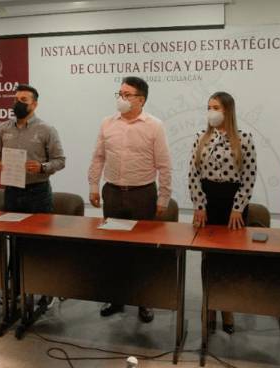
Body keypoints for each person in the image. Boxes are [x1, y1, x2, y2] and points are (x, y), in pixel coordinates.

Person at [87, 76, 172, 323]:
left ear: (141, 100)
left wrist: (164, 197)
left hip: (142, 194)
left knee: (142, 251)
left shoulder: (154, 126)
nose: (121, 98)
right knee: (114, 250)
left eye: (127, 95)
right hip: (112, 193)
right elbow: (98, 157)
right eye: (120, 94)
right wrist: (93, 185)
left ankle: (145, 300)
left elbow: (164, 165)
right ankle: (116, 297)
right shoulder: (107, 123)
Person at [188, 91, 257, 334]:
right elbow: (193, 174)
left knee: (229, 261)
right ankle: (209, 307)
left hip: (233, 206)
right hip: (208, 204)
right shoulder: (201, 137)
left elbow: (249, 177)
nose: (211, 112)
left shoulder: (244, 139)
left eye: (216, 107)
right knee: (208, 260)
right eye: (209, 107)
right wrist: (199, 205)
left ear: (228, 110)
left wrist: (238, 208)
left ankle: (227, 309)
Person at [0, 84, 65, 213]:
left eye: (23, 100)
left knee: (39, 226)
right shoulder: (3, 128)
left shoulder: (46, 130)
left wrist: (42, 167)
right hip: (11, 191)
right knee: (10, 225)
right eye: (16, 99)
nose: (18, 103)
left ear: (34, 105)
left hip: (37, 192)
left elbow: (60, 160)